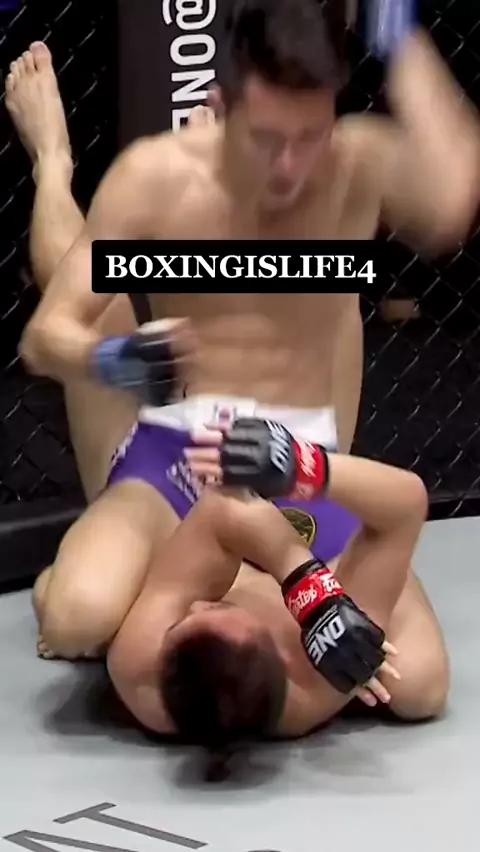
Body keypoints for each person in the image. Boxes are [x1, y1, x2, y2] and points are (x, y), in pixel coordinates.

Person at [4, 0, 468, 715]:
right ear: (223, 108)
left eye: (310, 137)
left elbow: (452, 197)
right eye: (267, 138)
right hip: (176, 463)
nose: (289, 167)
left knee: (418, 688)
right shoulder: (161, 178)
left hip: (298, 466)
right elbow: (46, 336)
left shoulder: (356, 164)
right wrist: (115, 360)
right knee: (77, 617)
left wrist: (398, 32)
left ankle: (198, 586)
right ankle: (52, 163)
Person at [106, 416, 441, 746]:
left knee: (90, 614)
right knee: (418, 684)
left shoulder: (139, 665)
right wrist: (305, 465)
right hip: (333, 548)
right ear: (286, 657)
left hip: (240, 528)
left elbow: (223, 506)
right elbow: (407, 505)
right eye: (219, 607)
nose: (196, 605)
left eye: (178, 623)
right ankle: (391, 578)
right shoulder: (317, 679)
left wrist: (306, 585)